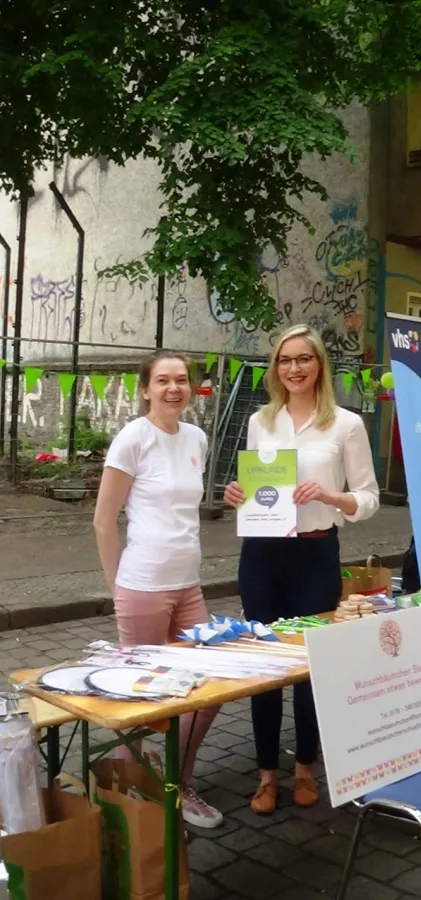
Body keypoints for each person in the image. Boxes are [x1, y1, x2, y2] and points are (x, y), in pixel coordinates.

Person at [224, 324, 379, 814]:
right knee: (266, 666)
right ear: (276, 367)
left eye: (303, 359)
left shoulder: (346, 424)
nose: (294, 368)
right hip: (262, 556)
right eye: (285, 360)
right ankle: (267, 775)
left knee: (313, 668)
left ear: (319, 365)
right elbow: (257, 489)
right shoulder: (261, 421)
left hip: (315, 555)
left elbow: (369, 498)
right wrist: (238, 494)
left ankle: (306, 768)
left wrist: (332, 496)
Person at [93, 350, 223, 829]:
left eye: (182, 380)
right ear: (146, 389)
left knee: (208, 689)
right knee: (142, 699)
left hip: (188, 584)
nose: (174, 388)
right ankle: (134, 803)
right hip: (143, 585)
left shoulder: (196, 438)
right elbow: (103, 520)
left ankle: (175, 782)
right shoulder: (134, 438)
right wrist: (118, 587)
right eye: (163, 381)